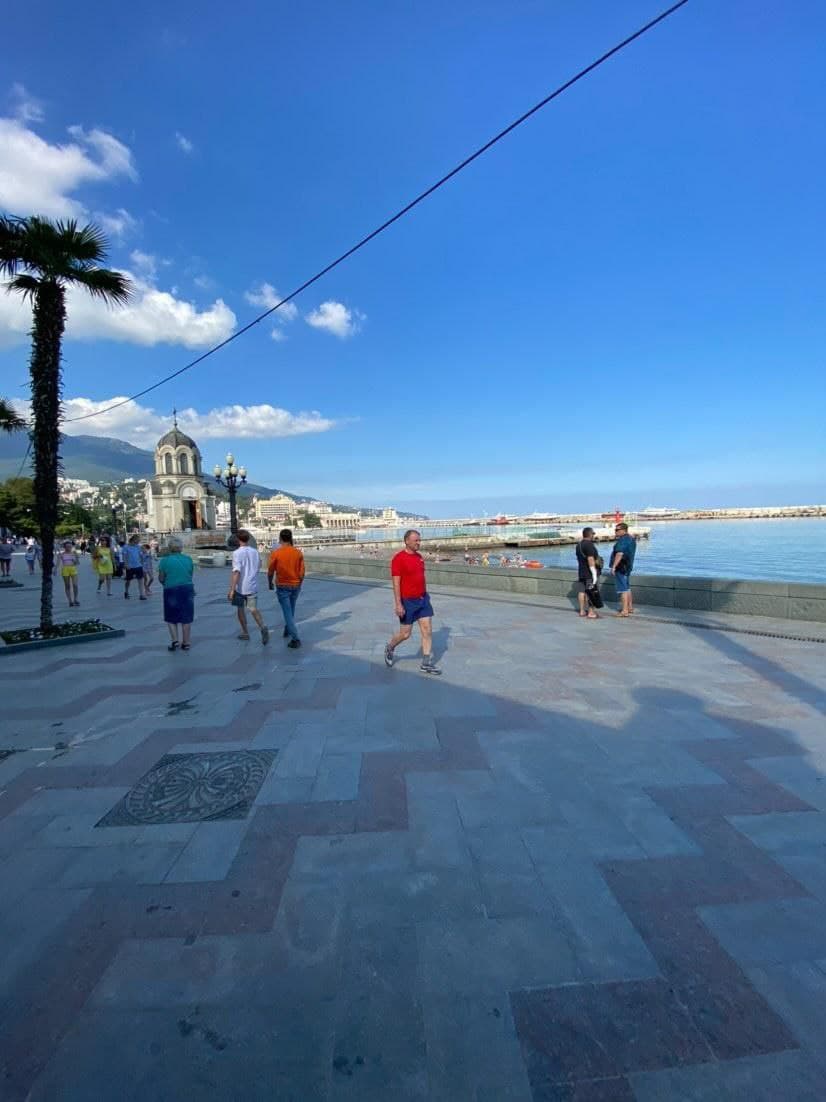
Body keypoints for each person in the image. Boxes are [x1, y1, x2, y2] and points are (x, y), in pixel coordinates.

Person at [385, 529, 441, 675]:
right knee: (405, 634)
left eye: (419, 540)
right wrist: (398, 604)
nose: (418, 543)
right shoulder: (398, 559)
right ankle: (390, 647)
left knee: (427, 630)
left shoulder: (419, 557)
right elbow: (396, 583)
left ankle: (426, 664)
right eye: (416, 540)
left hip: (423, 599)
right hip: (407, 602)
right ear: (407, 541)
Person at [228, 529, 269, 644]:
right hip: (252, 585)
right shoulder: (254, 551)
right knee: (253, 609)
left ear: (238, 540)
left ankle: (245, 632)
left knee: (240, 609)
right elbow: (259, 564)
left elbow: (236, 572)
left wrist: (232, 589)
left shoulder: (237, 553)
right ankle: (263, 627)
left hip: (240, 588)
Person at [267, 528, 305, 648]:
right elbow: (302, 572)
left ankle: (295, 638)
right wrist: (299, 584)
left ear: (280, 539)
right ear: (290, 538)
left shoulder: (276, 553)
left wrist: (270, 582)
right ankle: (288, 628)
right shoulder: (298, 553)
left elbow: (270, 571)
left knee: (287, 612)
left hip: (283, 586)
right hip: (295, 585)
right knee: (291, 609)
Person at [158, 536, 195, 651]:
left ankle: (175, 641)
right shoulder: (188, 559)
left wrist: (166, 583)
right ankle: (186, 643)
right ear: (181, 548)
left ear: (170, 548)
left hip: (171, 589)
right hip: (187, 589)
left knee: (171, 616)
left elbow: (161, 578)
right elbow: (190, 574)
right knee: (186, 616)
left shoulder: (164, 561)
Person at [575, 527, 602, 619]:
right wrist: (594, 574)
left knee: (581, 591)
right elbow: (590, 559)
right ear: (590, 534)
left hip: (581, 572)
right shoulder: (589, 545)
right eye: (593, 534)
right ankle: (591, 612)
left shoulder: (579, 545)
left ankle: (582, 611)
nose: (593, 536)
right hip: (589, 574)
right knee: (591, 592)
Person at [611, 522, 637, 617]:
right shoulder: (631, 539)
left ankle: (624, 611)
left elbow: (619, 554)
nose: (615, 531)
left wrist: (614, 566)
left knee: (623, 589)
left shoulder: (622, 540)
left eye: (617, 530)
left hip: (621, 567)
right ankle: (629, 607)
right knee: (627, 588)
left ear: (623, 530)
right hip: (628, 567)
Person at [55, 540, 80, 607]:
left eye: (70, 546)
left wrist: (76, 558)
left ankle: (75, 599)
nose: (69, 548)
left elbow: (77, 563)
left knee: (75, 585)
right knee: (67, 585)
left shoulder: (74, 553)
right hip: (65, 569)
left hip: (73, 569)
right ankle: (70, 601)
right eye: (67, 547)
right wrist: (55, 570)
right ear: (64, 547)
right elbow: (58, 563)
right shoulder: (61, 554)